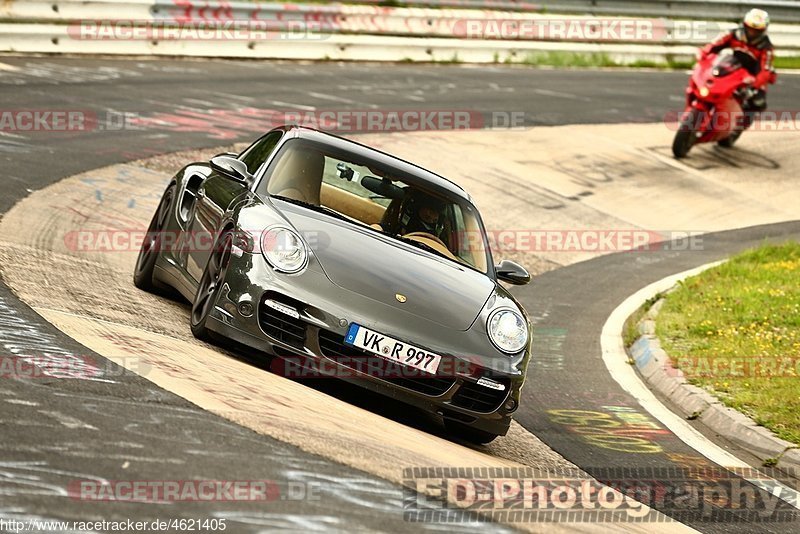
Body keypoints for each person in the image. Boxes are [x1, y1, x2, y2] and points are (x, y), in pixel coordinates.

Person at [699, 8, 777, 128]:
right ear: (744, 25)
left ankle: (740, 126)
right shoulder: (732, 33)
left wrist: (754, 85)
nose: (752, 33)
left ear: (763, 30)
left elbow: (765, 70)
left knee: (758, 102)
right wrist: (703, 54)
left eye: (756, 30)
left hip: (752, 76)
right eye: (750, 28)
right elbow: (714, 44)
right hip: (731, 66)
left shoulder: (767, 47)